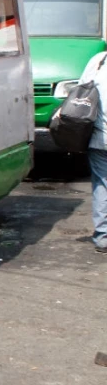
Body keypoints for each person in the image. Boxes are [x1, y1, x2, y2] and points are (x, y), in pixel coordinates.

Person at [80, 50, 107, 253]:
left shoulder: (98, 61)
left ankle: (103, 237)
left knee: (102, 185)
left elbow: (80, 92)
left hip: (100, 138)